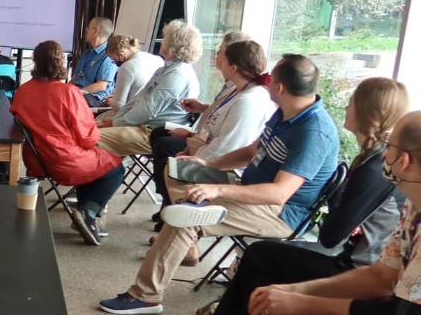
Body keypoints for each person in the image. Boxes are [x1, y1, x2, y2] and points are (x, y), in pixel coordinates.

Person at [99, 54, 340, 314]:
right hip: (249, 190)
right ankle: (185, 217)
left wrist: (218, 189)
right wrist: (210, 165)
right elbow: (251, 151)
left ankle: (145, 296)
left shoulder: (313, 132)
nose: (267, 83)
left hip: (280, 213)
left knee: (187, 218)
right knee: (177, 170)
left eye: (272, 80)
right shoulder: (287, 111)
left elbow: (280, 193)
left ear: (280, 88)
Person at [210, 78, 409, 315]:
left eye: (352, 102)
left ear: (367, 111)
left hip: (357, 269)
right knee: (261, 256)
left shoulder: (373, 168)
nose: (346, 108)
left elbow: (330, 236)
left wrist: (348, 218)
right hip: (358, 258)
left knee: (259, 256)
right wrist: (350, 218)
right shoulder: (375, 159)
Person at [148, 39, 276, 229]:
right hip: (213, 150)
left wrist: (196, 157)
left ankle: (178, 218)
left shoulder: (249, 101)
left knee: (169, 157)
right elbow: (217, 124)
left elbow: (228, 149)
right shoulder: (238, 89)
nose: (217, 58)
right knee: (164, 143)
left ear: (233, 67)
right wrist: (192, 141)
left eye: (222, 55)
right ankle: (171, 209)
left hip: (228, 169)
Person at [11, 41, 123, 245]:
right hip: (65, 162)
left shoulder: (23, 91)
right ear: (61, 62)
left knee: (93, 162)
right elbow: (87, 138)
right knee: (114, 167)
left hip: (36, 162)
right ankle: (89, 212)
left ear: (35, 62)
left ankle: (83, 211)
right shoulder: (69, 93)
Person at [95, 20, 202, 160]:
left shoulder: (177, 75)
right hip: (142, 126)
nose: (161, 41)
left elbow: (148, 109)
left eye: (165, 38)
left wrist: (115, 122)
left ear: (173, 45)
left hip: (152, 132)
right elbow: (138, 99)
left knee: (90, 138)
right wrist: (116, 119)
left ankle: (106, 177)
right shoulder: (165, 69)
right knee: (85, 131)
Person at [104, 34, 164, 112]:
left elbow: (118, 106)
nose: (115, 63)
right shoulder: (158, 59)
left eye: (114, 60)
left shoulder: (127, 67)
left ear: (121, 54)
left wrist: (112, 101)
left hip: (131, 113)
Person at [72, 17, 120, 107]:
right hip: (78, 94)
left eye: (89, 28)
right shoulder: (86, 54)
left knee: (69, 102)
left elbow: (101, 86)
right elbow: (75, 78)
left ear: (95, 31)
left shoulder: (108, 55)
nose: (86, 30)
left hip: (95, 97)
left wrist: (75, 93)